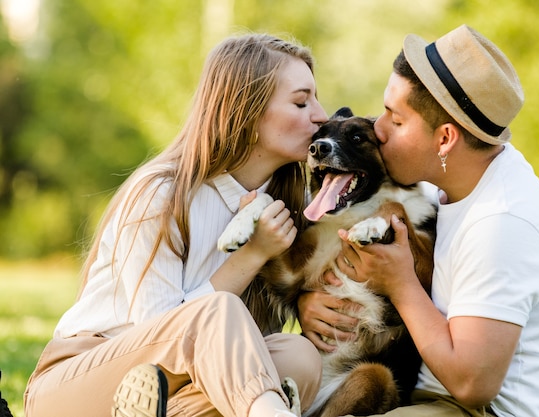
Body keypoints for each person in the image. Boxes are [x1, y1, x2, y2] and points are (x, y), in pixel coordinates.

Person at [24, 33, 328, 417]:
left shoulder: (291, 207)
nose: (321, 115)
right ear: (247, 114)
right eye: (301, 102)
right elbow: (162, 331)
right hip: (81, 381)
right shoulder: (162, 194)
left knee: (297, 357)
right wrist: (252, 255)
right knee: (219, 312)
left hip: (173, 396)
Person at [298, 24, 539, 417]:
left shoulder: (504, 222)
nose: (377, 128)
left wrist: (400, 283)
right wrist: (311, 305)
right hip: (419, 395)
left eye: (395, 120)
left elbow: (472, 386)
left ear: (445, 139)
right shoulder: (446, 190)